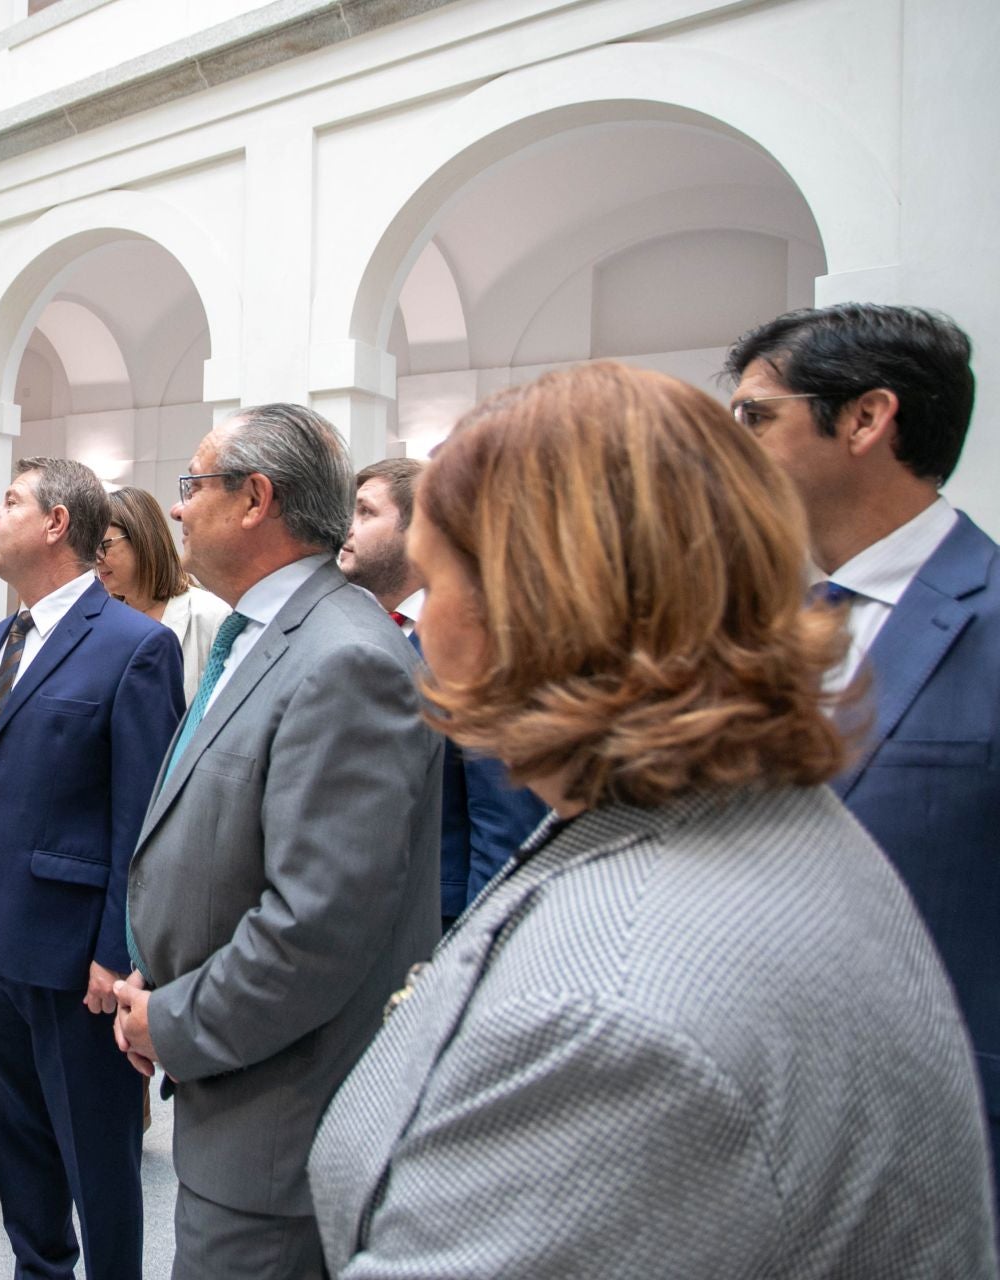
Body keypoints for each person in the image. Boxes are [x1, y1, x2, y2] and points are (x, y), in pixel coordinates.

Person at [309, 361, 998, 1277]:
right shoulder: (714, 809)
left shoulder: (616, 1024)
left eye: (437, 588)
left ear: (536, 610)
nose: (422, 630)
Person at [114, 404, 443, 1279]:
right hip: (235, 1085)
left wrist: (170, 1021)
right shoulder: (269, 634)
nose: (176, 507)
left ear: (255, 499)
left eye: (193, 484)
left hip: (279, 1129)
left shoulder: (346, 658)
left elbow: (316, 929)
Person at [726, 304, 998, 1196]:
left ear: (866, 419)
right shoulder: (768, 631)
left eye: (756, 417)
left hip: (948, 1137)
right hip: (767, 1120)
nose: (731, 448)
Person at [0, 457, 184, 1280]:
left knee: (98, 1162)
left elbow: (145, 821)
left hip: (75, 961)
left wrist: (118, 952)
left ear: (56, 523)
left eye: (9, 502)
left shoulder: (135, 648)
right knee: (17, 1147)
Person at [339, 457, 548, 926]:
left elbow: (504, 821)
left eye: (366, 512)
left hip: (442, 922)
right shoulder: (351, 629)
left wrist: (477, 942)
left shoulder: (473, 644)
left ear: (421, 532)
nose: (346, 527)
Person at [97, 484, 232, 702]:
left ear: (142, 540)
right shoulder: (103, 623)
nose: (95, 559)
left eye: (103, 546)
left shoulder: (211, 616)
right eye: (90, 549)